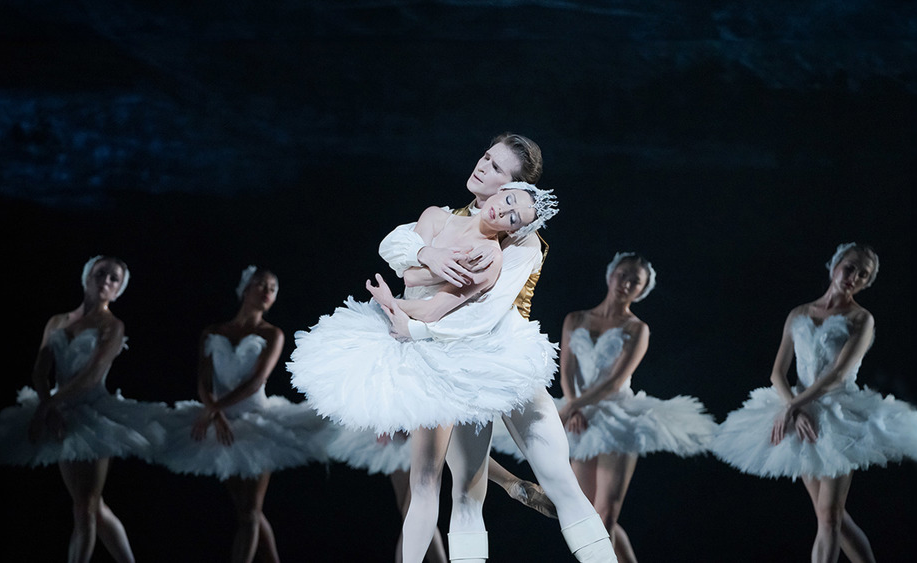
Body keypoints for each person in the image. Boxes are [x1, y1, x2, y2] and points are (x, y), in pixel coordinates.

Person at [289, 180, 559, 563]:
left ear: (513, 230)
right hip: (396, 336)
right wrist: (422, 260)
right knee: (426, 464)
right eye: (509, 201)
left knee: (426, 479)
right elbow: (405, 266)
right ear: (500, 192)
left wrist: (396, 301)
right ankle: (512, 483)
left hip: (434, 350)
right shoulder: (438, 216)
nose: (505, 211)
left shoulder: (488, 255)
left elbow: (432, 308)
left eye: (515, 217)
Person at [376, 133, 617, 562]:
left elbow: (478, 315)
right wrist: (425, 253)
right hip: (451, 363)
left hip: (501, 357)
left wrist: (417, 323)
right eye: (486, 157)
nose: (483, 168)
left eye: (498, 169)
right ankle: (506, 489)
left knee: (560, 479)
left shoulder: (523, 242)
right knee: (466, 491)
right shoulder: (447, 217)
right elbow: (402, 258)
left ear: (516, 189)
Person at [711, 243, 917, 563]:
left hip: (839, 415)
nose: (854, 277)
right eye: (850, 268)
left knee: (830, 518)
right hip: (803, 410)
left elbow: (837, 375)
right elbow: (777, 373)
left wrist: (793, 407)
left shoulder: (861, 318)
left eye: (864, 275)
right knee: (831, 518)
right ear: (835, 266)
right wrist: (795, 407)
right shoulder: (798, 314)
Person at [493, 252, 716, 562]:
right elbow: (567, 369)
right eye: (622, 275)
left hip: (617, 417)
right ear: (611, 274)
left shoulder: (637, 329)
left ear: (642, 289)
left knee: (607, 512)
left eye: (634, 281)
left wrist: (574, 407)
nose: (626, 283)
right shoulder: (577, 319)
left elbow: (614, 381)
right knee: (584, 511)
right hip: (578, 415)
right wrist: (573, 406)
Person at [0, 255, 165, 563]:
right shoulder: (57, 321)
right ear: (86, 277)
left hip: (94, 413)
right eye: (100, 274)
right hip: (59, 411)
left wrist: (49, 407)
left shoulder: (113, 326)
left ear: (119, 290)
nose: (105, 281)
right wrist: (49, 406)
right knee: (91, 506)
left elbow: (91, 375)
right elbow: (40, 373)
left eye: (113, 279)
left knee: (84, 507)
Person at [155, 266, 329, 563]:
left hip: (256, 424)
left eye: (272, 288)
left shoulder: (272, 333)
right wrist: (214, 413)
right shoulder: (213, 332)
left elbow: (256, 382)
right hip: (219, 422)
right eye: (260, 284)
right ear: (245, 288)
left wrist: (216, 409)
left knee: (249, 512)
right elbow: (204, 380)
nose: (266, 291)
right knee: (247, 511)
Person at [326, 427, 556, 563]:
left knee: (419, 495)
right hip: (444, 376)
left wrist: (386, 412)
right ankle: (509, 481)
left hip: (406, 396)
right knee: (454, 461)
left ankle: (509, 482)